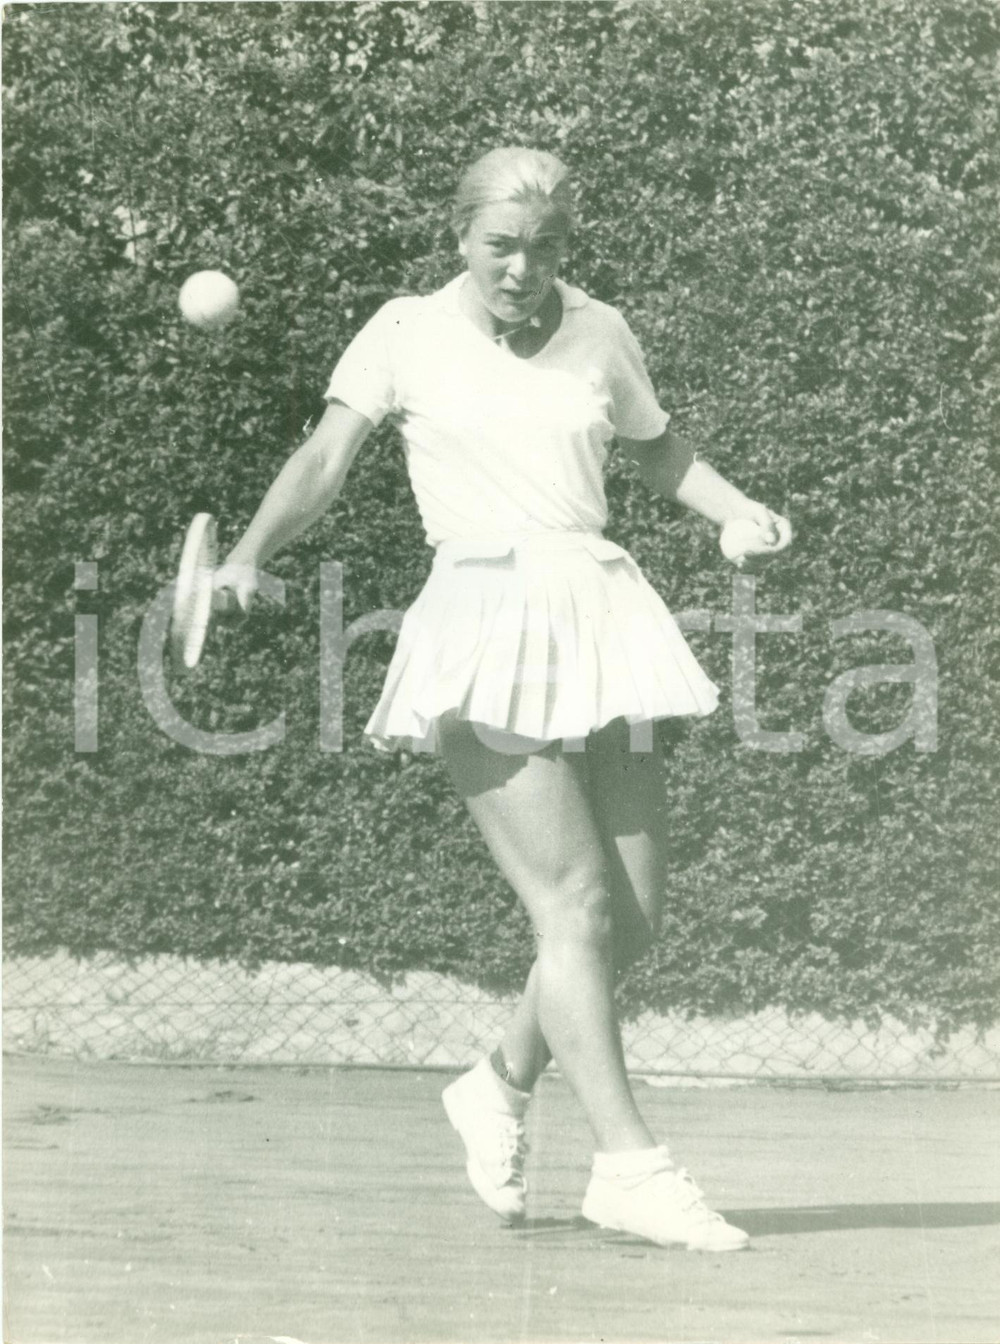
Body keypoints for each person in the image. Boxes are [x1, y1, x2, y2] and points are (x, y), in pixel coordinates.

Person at [215, 147, 791, 1252]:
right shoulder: (402, 332)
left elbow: (659, 450)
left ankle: (494, 1084)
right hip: (480, 621)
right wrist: (246, 553)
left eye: (545, 247)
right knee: (570, 908)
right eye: (500, 245)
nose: (523, 269)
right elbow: (326, 457)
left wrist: (738, 510)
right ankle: (631, 1167)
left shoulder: (602, 329)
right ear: (459, 237)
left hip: (601, 612)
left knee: (630, 919)